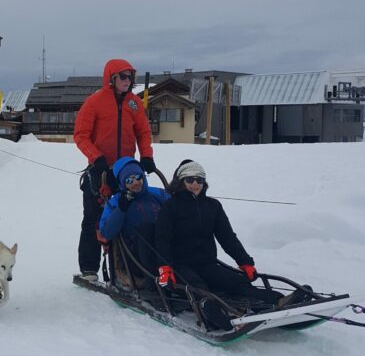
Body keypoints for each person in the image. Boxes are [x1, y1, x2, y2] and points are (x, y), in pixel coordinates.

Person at [154, 160, 309, 330]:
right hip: (180, 264)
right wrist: (164, 267)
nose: (195, 184)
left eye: (199, 180)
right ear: (181, 182)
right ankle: (212, 312)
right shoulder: (171, 207)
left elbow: (227, 237)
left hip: (207, 263)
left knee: (236, 281)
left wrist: (245, 262)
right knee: (197, 287)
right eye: (190, 180)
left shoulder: (213, 206)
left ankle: (277, 301)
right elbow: (162, 240)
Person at [73, 59, 157, 281]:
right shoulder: (94, 102)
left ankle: (123, 269)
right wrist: (96, 157)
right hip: (100, 170)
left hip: (126, 172)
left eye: (130, 77)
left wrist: (146, 156)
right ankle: (90, 268)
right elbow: (81, 135)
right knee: (93, 217)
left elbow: (143, 133)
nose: (127, 81)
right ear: (111, 78)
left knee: (125, 215)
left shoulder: (134, 104)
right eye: (123, 76)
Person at [99, 157, 170, 285]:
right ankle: (153, 283)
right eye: (129, 180)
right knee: (146, 229)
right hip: (135, 257)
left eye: (138, 177)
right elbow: (106, 232)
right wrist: (121, 210)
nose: (135, 183)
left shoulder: (159, 194)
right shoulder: (116, 202)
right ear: (122, 183)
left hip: (165, 249)